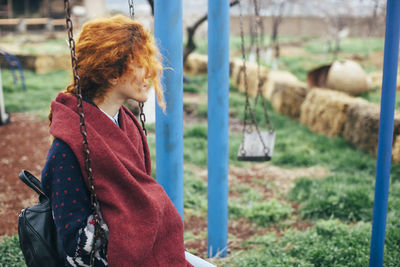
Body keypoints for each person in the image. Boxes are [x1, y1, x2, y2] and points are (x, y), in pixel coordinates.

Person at [41, 15, 214, 267]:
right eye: (142, 62)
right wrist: (133, 226)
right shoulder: (68, 147)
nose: (152, 71)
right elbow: (76, 247)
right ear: (112, 73)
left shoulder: (128, 125)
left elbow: (140, 199)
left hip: (148, 249)